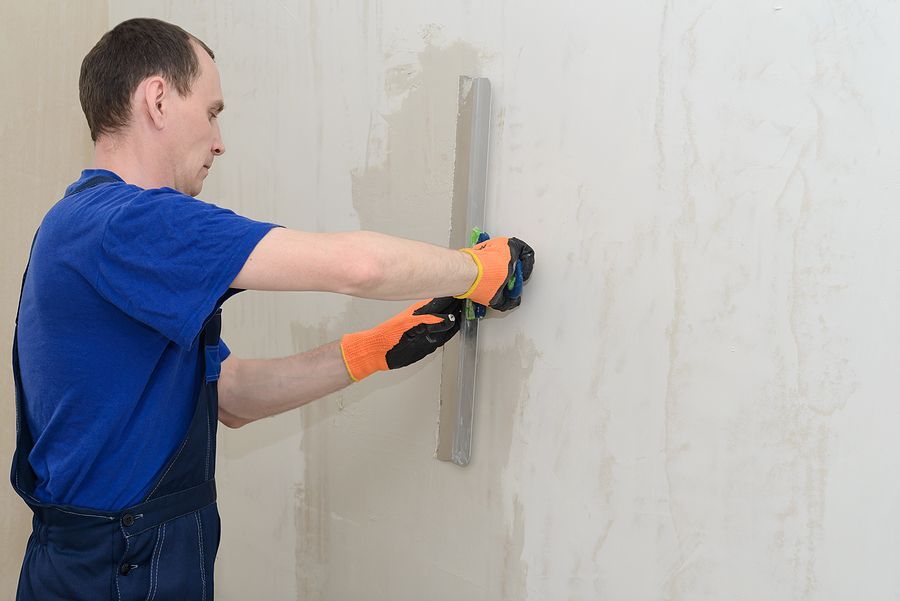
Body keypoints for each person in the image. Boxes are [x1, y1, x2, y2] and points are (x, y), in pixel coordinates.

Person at [9, 17, 534, 601]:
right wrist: (477, 270)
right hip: (118, 569)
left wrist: (369, 351)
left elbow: (231, 396)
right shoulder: (130, 223)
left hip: (118, 559)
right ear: (157, 99)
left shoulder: (91, 228)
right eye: (212, 112)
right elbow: (360, 267)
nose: (219, 142)